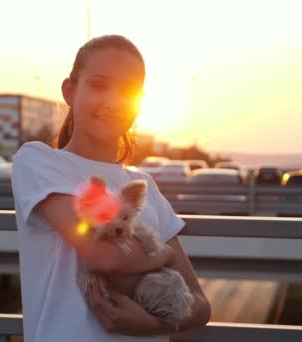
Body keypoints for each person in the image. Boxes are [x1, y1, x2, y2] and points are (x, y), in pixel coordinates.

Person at [11, 34, 211, 342]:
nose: (114, 100)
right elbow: (102, 257)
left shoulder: (144, 185)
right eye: (99, 85)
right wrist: (162, 257)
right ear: (70, 91)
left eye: (128, 90)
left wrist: (149, 325)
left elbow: (200, 306)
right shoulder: (38, 161)